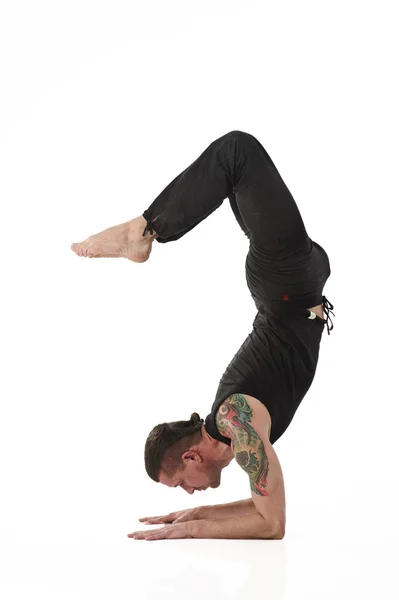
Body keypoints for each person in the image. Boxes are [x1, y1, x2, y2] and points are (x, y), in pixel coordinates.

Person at [71, 130, 335, 540]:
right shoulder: (236, 430)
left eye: (181, 483)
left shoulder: (235, 420)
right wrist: (194, 512)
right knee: (233, 169)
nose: (188, 488)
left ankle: (141, 232)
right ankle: (143, 231)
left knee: (237, 153)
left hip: (288, 285)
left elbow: (272, 525)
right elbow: (264, 508)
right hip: (292, 287)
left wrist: (192, 530)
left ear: (191, 455)